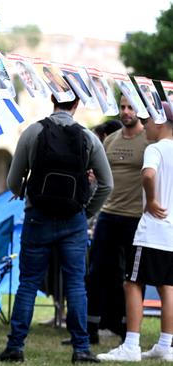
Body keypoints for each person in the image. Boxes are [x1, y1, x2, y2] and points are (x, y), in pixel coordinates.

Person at [0, 94, 112, 363]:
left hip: (38, 218)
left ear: (52, 100)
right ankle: (81, 348)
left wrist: (23, 191)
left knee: (28, 284)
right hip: (74, 221)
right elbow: (107, 185)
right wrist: (87, 213)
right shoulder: (89, 138)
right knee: (76, 286)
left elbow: (13, 181)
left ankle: (16, 347)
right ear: (76, 104)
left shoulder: (33, 132)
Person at [97, 102, 173, 362]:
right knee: (167, 286)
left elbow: (149, 175)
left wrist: (151, 201)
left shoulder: (154, 149)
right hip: (171, 233)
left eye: (150, 120)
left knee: (132, 283)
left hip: (152, 230)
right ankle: (165, 344)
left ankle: (131, 345)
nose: (147, 125)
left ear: (161, 122)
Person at [85, 96, 150, 346]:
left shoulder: (150, 142)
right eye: (122, 107)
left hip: (137, 218)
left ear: (140, 110)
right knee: (96, 273)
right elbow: (99, 174)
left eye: (130, 107)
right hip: (108, 215)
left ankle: (127, 331)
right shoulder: (110, 140)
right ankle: (90, 329)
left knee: (133, 277)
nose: (125, 112)